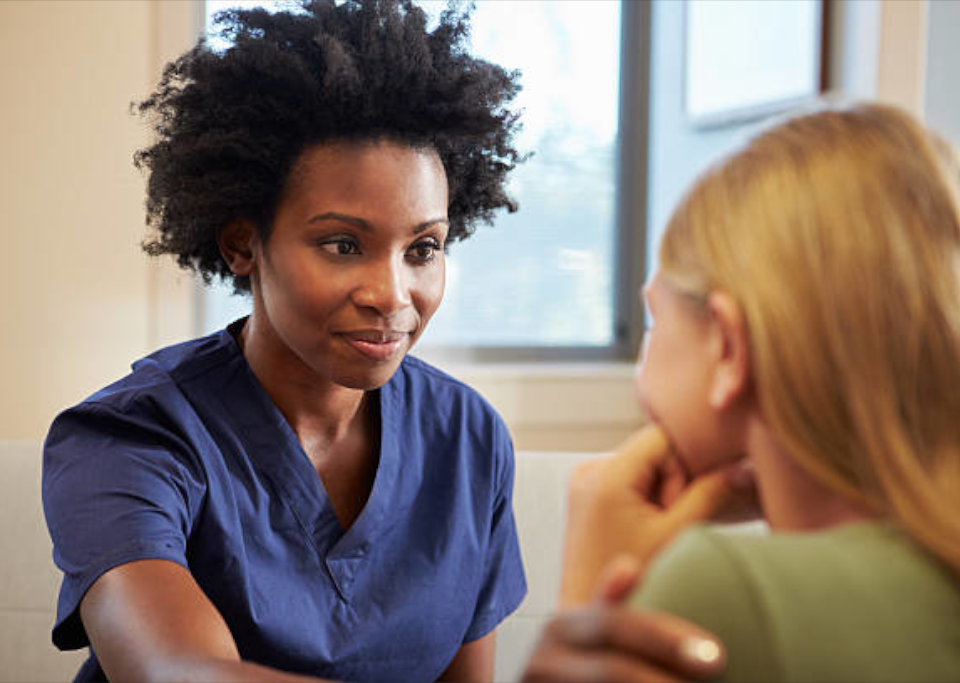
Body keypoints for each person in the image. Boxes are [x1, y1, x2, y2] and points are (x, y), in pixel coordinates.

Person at [42, 1, 732, 681]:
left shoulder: (466, 438)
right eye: (343, 244)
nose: (394, 294)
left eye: (424, 248)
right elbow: (175, 671)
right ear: (243, 243)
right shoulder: (127, 438)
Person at [554, 103, 960, 682]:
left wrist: (588, 612)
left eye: (654, 323)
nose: (642, 382)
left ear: (728, 348)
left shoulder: (721, 591)